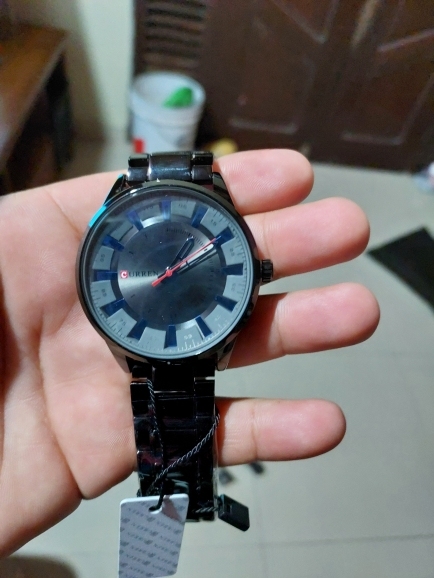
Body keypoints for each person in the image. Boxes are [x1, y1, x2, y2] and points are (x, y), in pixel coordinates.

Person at [0, 149, 379, 557]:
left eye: (168, 273)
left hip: (183, 344)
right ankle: (186, 501)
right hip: (154, 344)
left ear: (259, 272)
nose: (163, 275)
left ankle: (181, 501)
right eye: (161, 274)